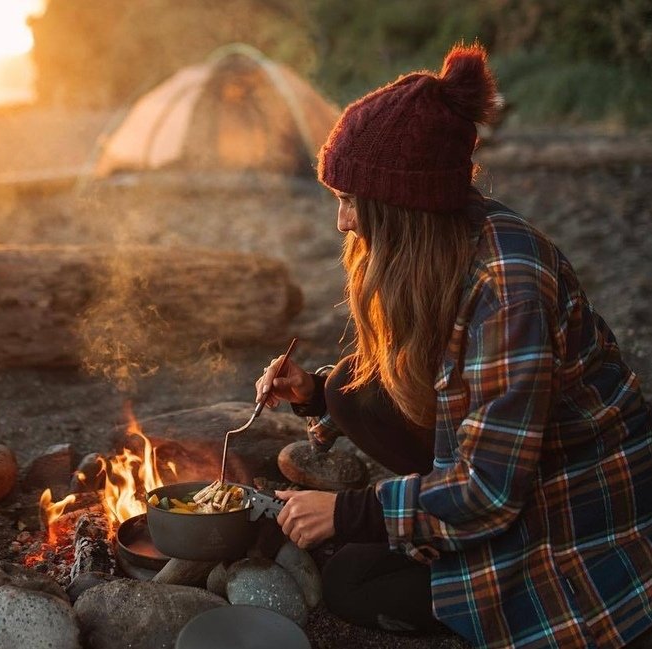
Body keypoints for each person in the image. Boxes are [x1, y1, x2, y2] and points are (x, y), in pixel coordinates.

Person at [258, 42, 652, 649]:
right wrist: (312, 395)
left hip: (565, 504)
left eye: (349, 202)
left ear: (401, 205)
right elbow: (431, 375)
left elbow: (493, 489)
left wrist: (347, 512)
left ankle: (465, 561)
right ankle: (426, 524)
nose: (341, 222)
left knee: (351, 584)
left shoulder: (509, 285)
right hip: (503, 467)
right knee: (344, 387)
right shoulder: (440, 249)